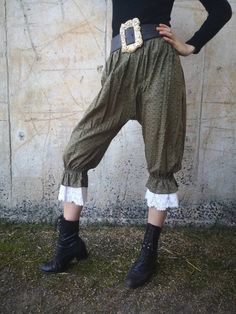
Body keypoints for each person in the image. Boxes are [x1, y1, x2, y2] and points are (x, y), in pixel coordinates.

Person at [39, 0, 232, 289]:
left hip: (160, 63)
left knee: (161, 158)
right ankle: (69, 243)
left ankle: (148, 255)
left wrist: (191, 45)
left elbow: (222, 10)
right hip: (120, 61)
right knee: (78, 151)